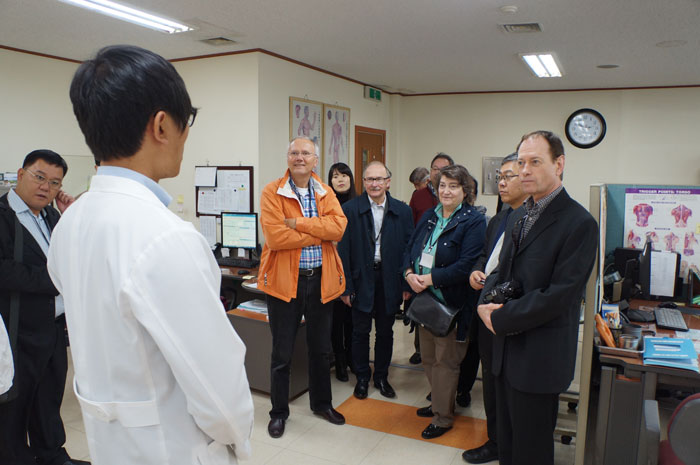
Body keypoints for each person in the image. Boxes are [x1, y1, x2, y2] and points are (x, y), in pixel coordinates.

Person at [47, 45, 254, 465]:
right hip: (176, 448)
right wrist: (238, 443)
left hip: (110, 443)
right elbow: (217, 385)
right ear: (161, 124)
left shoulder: (71, 221)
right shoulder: (165, 237)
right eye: (186, 121)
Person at [478, 131, 598, 465]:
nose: (525, 170)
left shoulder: (579, 223)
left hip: (539, 357)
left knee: (531, 451)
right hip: (506, 353)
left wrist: (499, 317)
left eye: (535, 162)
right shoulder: (517, 215)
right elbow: (504, 272)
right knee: (508, 446)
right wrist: (487, 301)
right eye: (521, 162)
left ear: (559, 164)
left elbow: (559, 295)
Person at [259, 136, 348, 439]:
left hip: (320, 279)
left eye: (305, 153)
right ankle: (278, 412)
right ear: (288, 158)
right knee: (281, 352)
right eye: (294, 152)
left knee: (321, 349)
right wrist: (318, 231)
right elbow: (275, 238)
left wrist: (297, 223)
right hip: (286, 281)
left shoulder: (324, 191)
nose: (299, 157)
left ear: (315, 160)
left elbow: (338, 227)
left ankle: (321, 404)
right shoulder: (273, 192)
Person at [0, 150, 82, 465]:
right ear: (21, 174)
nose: (46, 187)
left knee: (48, 398)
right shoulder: (3, 213)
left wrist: (69, 216)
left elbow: (71, 256)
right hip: (16, 329)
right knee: (14, 404)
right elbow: (4, 270)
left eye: (54, 182)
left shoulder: (51, 215)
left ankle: (51, 455)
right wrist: (54, 279)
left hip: (53, 327)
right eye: (39, 177)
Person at [404, 164, 485, 440]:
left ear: (466, 191)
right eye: (442, 186)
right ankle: (438, 402)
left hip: (453, 305)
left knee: (446, 363)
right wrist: (408, 273)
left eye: (453, 186)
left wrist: (429, 279)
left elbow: (465, 266)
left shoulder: (473, 221)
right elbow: (411, 248)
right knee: (428, 359)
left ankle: (443, 417)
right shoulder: (429, 215)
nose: (446, 191)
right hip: (426, 304)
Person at [461, 152, 528, 464]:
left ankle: (511, 443)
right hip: (484, 309)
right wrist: (476, 271)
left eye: (509, 177)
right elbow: (485, 256)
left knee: (508, 385)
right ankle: (495, 440)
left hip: (510, 315)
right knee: (489, 380)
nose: (501, 183)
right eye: (499, 177)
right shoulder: (499, 220)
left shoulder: (532, 222)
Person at [338, 161, 413, 400]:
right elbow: (344, 252)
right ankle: (361, 377)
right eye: (369, 179)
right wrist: (346, 286)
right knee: (360, 332)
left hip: (389, 278)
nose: (374, 184)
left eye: (379, 179)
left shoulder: (402, 211)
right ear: (364, 183)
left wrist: (405, 284)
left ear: (388, 182)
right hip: (361, 279)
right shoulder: (350, 210)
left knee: (385, 331)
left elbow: (408, 250)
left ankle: (381, 376)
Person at [407, 153, 455, 365]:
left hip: (446, 269)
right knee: (422, 309)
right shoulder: (419, 196)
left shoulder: (455, 195)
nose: (438, 172)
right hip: (421, 268)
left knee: (442, 314)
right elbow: (411, 230)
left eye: (443, 168)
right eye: (435, 168)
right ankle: (421, 349)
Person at [327, 162, 357, 381]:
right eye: (335, 176)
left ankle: (352, 358)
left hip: (354, 270)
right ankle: (339, 362)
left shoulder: (359, 204)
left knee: (353, 319)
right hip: (331, 270)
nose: (340, 180)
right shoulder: (325, 205)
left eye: (344, 175)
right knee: (336, 320)